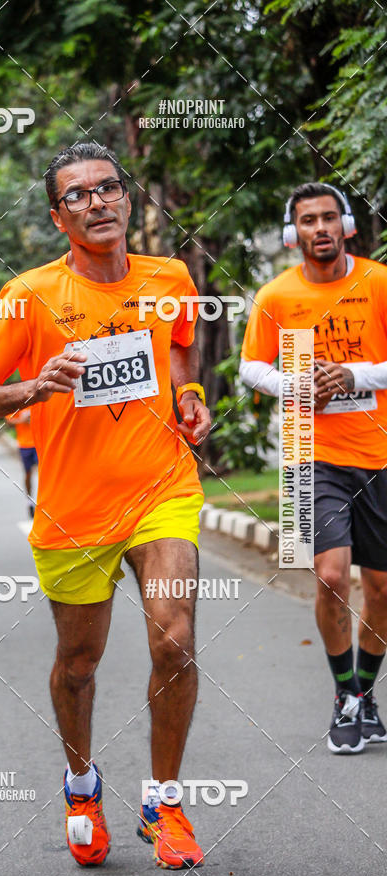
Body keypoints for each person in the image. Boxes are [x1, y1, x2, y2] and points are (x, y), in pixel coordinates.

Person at [0, 142, 212, 870]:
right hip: (72, 511)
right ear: (56, 215)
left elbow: (181, 350)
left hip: (162, 489)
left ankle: (164, 803)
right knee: (78, 662)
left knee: (175, 637)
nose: (97, 202)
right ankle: (81, 784)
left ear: (127, 200)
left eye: (108, 189)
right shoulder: (29, 296)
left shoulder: (171, 277)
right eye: (78, 195)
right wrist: (33, 387)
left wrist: (189, 397)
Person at [240, 183, 387, 753]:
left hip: (378, 454)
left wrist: (357, 377)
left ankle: (365, 694)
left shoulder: (376, 283)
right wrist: (294, 384)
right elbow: (252, 366)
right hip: (309, 454)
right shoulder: (277, 297)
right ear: (292, 232)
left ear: (345, 225)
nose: (320, 228)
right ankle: (344, 695)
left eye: (329, 218)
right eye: (308, 220)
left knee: (379, 587)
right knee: (329, 575)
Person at [5, 409, 37, 516]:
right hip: (24, 444)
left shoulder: (39, 399)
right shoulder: (18, 402)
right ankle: (30, 501)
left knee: (44, 472)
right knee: (28, 474)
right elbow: (9, 422)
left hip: (40, 442)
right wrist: (22, 420)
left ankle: (44, 501)